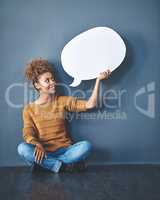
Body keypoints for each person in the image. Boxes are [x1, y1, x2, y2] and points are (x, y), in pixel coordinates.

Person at [17, 58, 111, 173]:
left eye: (52, 79)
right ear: (37, 85)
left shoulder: (62, 101)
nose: (53, 83)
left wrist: (98, 80)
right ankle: (63, 165)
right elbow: (28, 132)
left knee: (86, 146)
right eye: (47, 81)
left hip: (65, 150)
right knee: (22, 148)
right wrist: (36, 144)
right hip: (43, 151)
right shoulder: (29, 109)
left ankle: (49, 165)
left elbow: (90, 104)